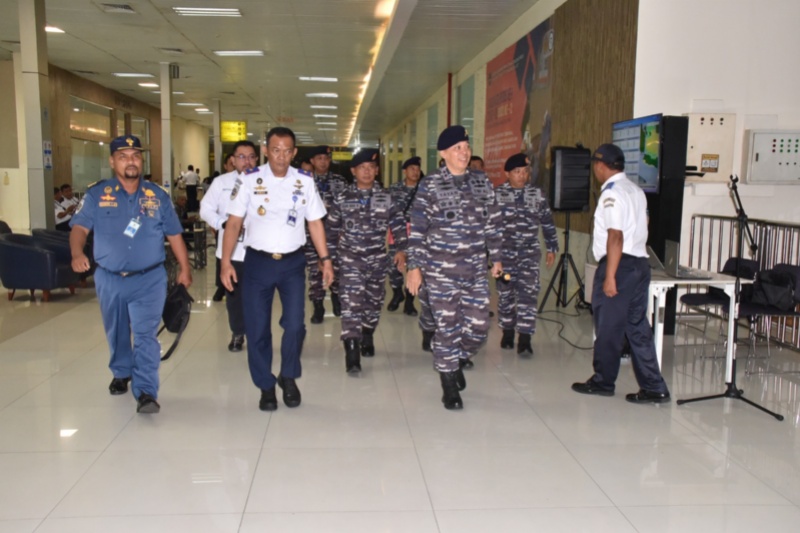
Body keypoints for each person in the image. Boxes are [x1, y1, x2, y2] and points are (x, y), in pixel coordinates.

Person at [69, 135, 192, 414]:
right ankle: (121, 370)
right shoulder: (97, 194)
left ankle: (146, 390)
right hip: (109, 276)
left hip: (149, 278)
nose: (130, 161)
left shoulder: (157, 196)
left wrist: (185, 268)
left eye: (135, 156)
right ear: (112, 161)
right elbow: (79, 228)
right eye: (123, 156)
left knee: (146, 334)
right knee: (117, 329)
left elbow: (174, 234)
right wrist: (77, 253)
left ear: (142, 160)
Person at [220, 127, 332, 412]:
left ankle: (288, 376)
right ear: (266, 151)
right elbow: (233, 223)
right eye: (276, 150)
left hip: (293, 263)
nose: (282, 157)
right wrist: (225, 263)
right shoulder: (249, 180)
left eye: (287, 151)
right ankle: (265, 385)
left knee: (295, 324)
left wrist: (325, 259)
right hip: (257, 262)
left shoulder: (304, 181)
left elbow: (315, 222)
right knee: (257, 328)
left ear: (294, 153)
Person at [405, 125, 503, 410]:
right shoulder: (431, 184)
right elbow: (418, 229)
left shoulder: (482, 182)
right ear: (444, 153)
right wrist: (415, 267)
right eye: (457, 148)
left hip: (474, 269)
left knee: (478, 328)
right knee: (448, 327)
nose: (464, 152)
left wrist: (496, 257)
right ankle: (448, 382)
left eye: (466, 146)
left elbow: (493, 223)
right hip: (440, 271)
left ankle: (456, 359)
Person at [571, 143, 670, 404]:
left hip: (620, 266)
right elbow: (644, 225)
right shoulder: (636, 190)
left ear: (600, 166)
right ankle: (654, 386)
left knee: (608, 328)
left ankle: (603, 381)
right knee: (637, 328)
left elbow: (615, 235)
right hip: (639, 264)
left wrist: (611, 275)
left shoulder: (611, 194)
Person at [327, 149, 406, 373]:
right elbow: (331, 232)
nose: (367, 172)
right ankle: (352, 352)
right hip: (350, 259)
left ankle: (367, 333)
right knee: (351, 305)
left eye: (371, 168)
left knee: (373, 303)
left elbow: (398, 224)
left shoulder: (386, 197)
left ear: (377, 170)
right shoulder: (342, 198)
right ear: (353, 171)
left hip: (377, 259)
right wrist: (329, 261)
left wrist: (401, 249)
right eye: (363, 167)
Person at [495, 153, 558, 356]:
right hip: (504, 257)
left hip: (529, 255)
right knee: (505, 295)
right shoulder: (496, 195)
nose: (522, 176)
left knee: (528, 295)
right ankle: (507, 332)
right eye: (517, 172)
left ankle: (525, 338)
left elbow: (547, 222)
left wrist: (552, 247)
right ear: (507, 174)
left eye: (524, 171)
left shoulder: (536, 194)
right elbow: (489, 226)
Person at [200, 140, 257, 352]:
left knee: (258, 297)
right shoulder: (221, 183)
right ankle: (237, 333)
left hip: (258, 251)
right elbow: (205, 208)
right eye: (241, 157)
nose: (247, 161)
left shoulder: (265, 182)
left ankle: (257, 334)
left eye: (251, 156)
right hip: (231, 252)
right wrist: (221, 223)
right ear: (232, 160)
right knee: (234, 297)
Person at [305, 145, 347, 324]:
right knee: (315, 271)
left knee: (336, 267)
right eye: (319, 158)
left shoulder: (340, 181)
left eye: (326, 158)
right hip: (310, 235)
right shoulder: (304, 181)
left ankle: (337, 298)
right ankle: (318, 305)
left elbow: (347, 208)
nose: (323, 161)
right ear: (312, 161)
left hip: (334, 233)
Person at [387, 156, 422, 316]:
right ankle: (397, 292)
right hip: (397, 230)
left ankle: (409, 301)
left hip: (417, 231)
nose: (415, 172)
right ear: (404, 171)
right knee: (393, 264)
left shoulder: (424, 188)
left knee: (414, 265)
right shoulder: (393, 189)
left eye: (417, 169)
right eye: (412, 169)